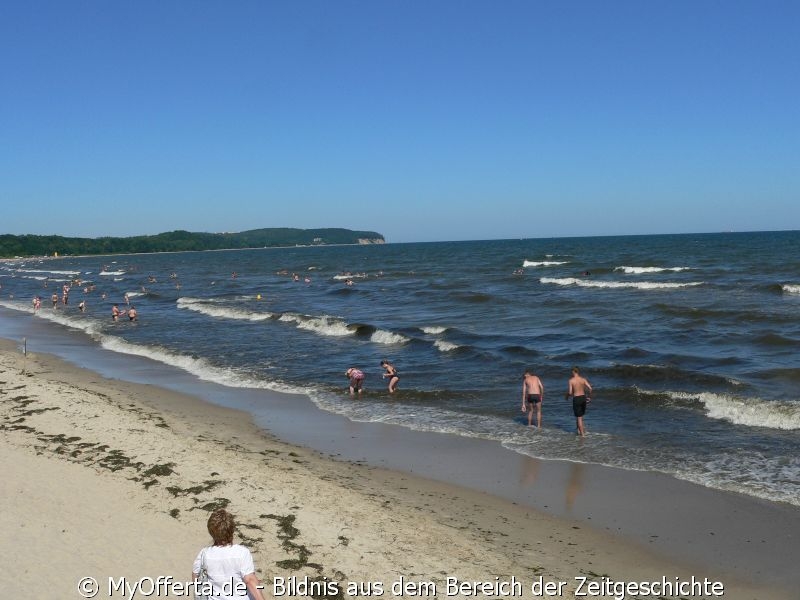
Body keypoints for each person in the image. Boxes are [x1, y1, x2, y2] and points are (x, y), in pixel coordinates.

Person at [192, 508, 266, 600]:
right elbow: (250, 580)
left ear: (211, 532)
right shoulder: (242, 553)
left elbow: (196, 577)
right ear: (232, 530)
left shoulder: (204, 554)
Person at [565, 366, 592, 437]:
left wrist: (566, 396)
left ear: (573, 371)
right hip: (583, 398)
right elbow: (590, 388)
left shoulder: (571, 380)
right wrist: (589, 397)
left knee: (578, 417)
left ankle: (582, 435)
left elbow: (570, 392)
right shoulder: (583, 379)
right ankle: (578, 430)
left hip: (576, 398)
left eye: (572, 371)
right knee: (580, 416)